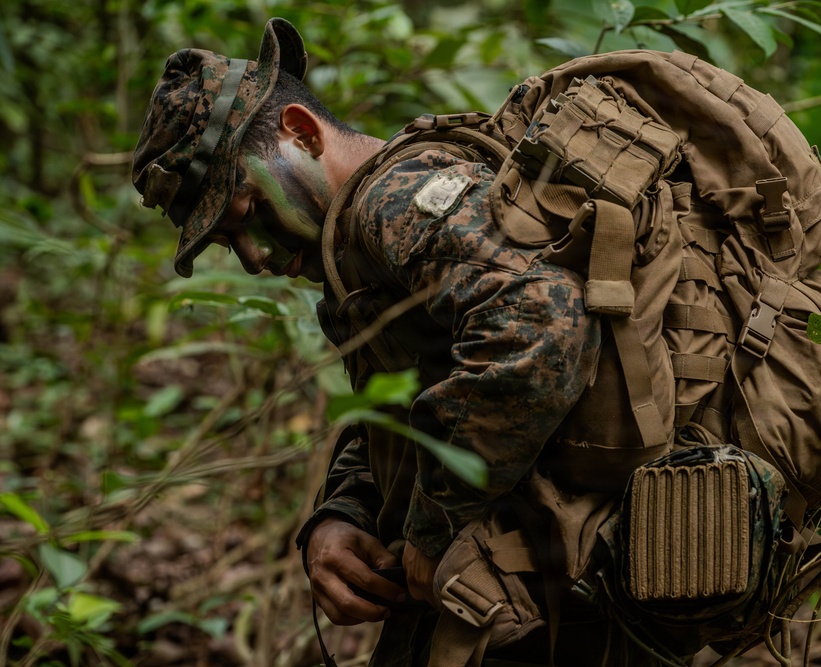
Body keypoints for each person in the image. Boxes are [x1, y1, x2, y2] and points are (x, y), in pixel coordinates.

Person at [132, 17, 658, 667]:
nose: (253, 257)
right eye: (226, 243)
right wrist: (340, 513)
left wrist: (431, 528)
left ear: (300, 129)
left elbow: (542, 329)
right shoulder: (356, 256)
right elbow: (411, 402)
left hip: (581, 593)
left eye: (246, 214)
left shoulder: (392, 199)